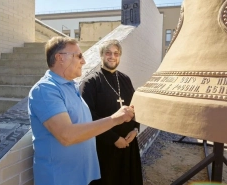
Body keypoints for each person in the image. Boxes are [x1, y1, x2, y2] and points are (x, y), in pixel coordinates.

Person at [28, 36, 135, 185]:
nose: (83, 61)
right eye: (78, 56)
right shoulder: (46, 90)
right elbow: (66, 135)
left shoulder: (71, 86)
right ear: (60, 58)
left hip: (82, 175)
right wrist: (115, 119)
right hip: (60, 178)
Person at [80, 39, 143, 185]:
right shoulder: (91, 82)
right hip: (104, 146)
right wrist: (114, 139)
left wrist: (135, 129)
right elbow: (89, 116)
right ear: (101, 55)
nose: (112, 56)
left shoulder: (125, 79)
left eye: (116, 53)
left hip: (128, 143)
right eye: (108, 53)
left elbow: (136, 106)